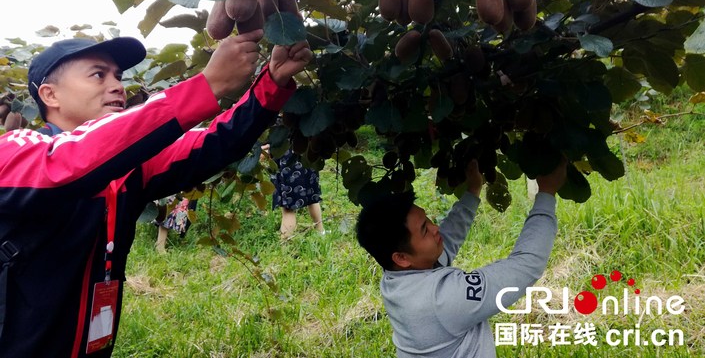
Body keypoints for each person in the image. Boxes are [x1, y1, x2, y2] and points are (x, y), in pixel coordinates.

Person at [0, 30, 312, 358]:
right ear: (50, 95)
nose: (118, 86)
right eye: (98, 74)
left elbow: (216, 141)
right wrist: (207, 85)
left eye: (118, 76)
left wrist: (272, 82)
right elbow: (69, 164)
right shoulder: (14, 151)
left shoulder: (132, 168)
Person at [355, 158, 567, 358]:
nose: (435, 227)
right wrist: (546, 193)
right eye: (424, 229)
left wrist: (473, 191)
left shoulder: (399, 276)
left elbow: (446, 240)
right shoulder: (442, 299)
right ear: (401, 257)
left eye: (428, 220)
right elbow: (524, 266)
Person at [267, 147, 324, 239]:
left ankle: (285, 246)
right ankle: (321, 232)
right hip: (307, 152)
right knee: (312, 196)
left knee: (288, 208)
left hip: (287, 156)